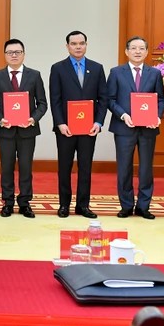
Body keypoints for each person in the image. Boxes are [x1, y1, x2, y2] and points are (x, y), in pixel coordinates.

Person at [49, 30, 108, 219]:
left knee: (85, 167)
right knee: (64, 167)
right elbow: (55, 99)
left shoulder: (97, 68)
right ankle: (64, 205)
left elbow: (103, 98)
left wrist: (98, 122)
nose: (78, 47)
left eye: (81, 43)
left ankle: (83, 205)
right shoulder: (58, 68)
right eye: (73, 44)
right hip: (65, 129)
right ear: (67, 46)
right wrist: (60, 123)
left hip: (89, 129)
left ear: (86, 45)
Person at [107, 36, 164, 220]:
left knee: (146, 168)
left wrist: (156, 116)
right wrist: (124, 116)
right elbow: (110, 100)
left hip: (148, 128)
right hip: (124, 127)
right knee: (124, 167)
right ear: (126, 51)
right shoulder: (116, 72)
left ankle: (143, 206)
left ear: (147, 52)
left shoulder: (154, 73)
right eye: (133, 48)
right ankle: (126, 205)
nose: (138, 51)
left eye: (141, 48)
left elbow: (161, 99)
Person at [0, 39, 47, 218]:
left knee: (25, 167)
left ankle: (25, 202)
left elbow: (42, 103)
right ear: (5, 55)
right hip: (6, 130)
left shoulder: (34, 75)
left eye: (17, 52)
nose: (14, 55)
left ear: (23, 54)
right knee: (6, 167)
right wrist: (1, 118)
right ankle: (7, 202)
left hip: (27, 130)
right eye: (10, 52)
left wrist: (33, 119)